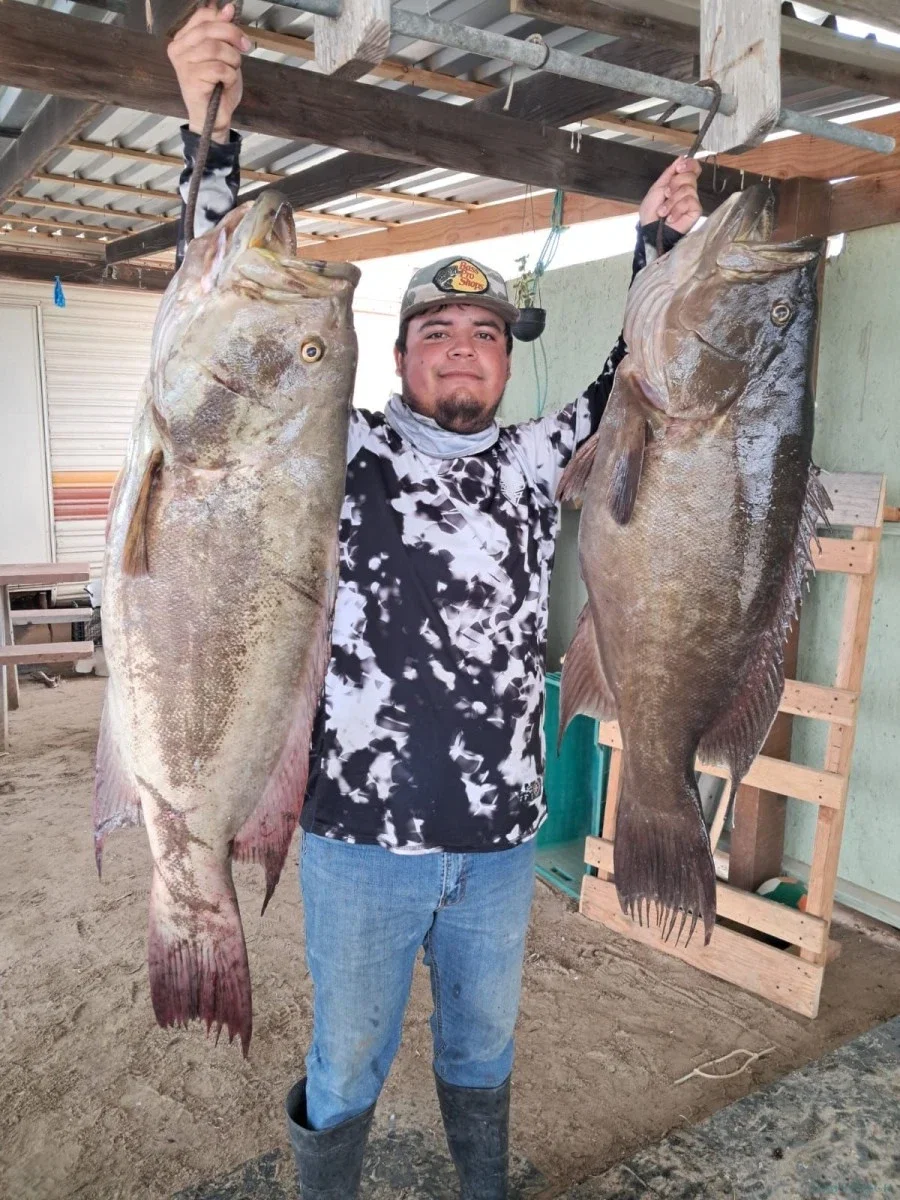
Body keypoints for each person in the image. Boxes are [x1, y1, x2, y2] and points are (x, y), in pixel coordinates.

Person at [168, 7, 703, 1198]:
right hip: (359, 840)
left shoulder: (542, 460)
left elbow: (638, 380)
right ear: (401, 354)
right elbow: (227, 346)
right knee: (347, 1061)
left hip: (501, 841)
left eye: (485, 334)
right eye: (437, 332)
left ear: (508, 359)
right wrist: (211, 142)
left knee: (482, 1055)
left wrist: (660, 250)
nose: (462, 349)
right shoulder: (340, 450)